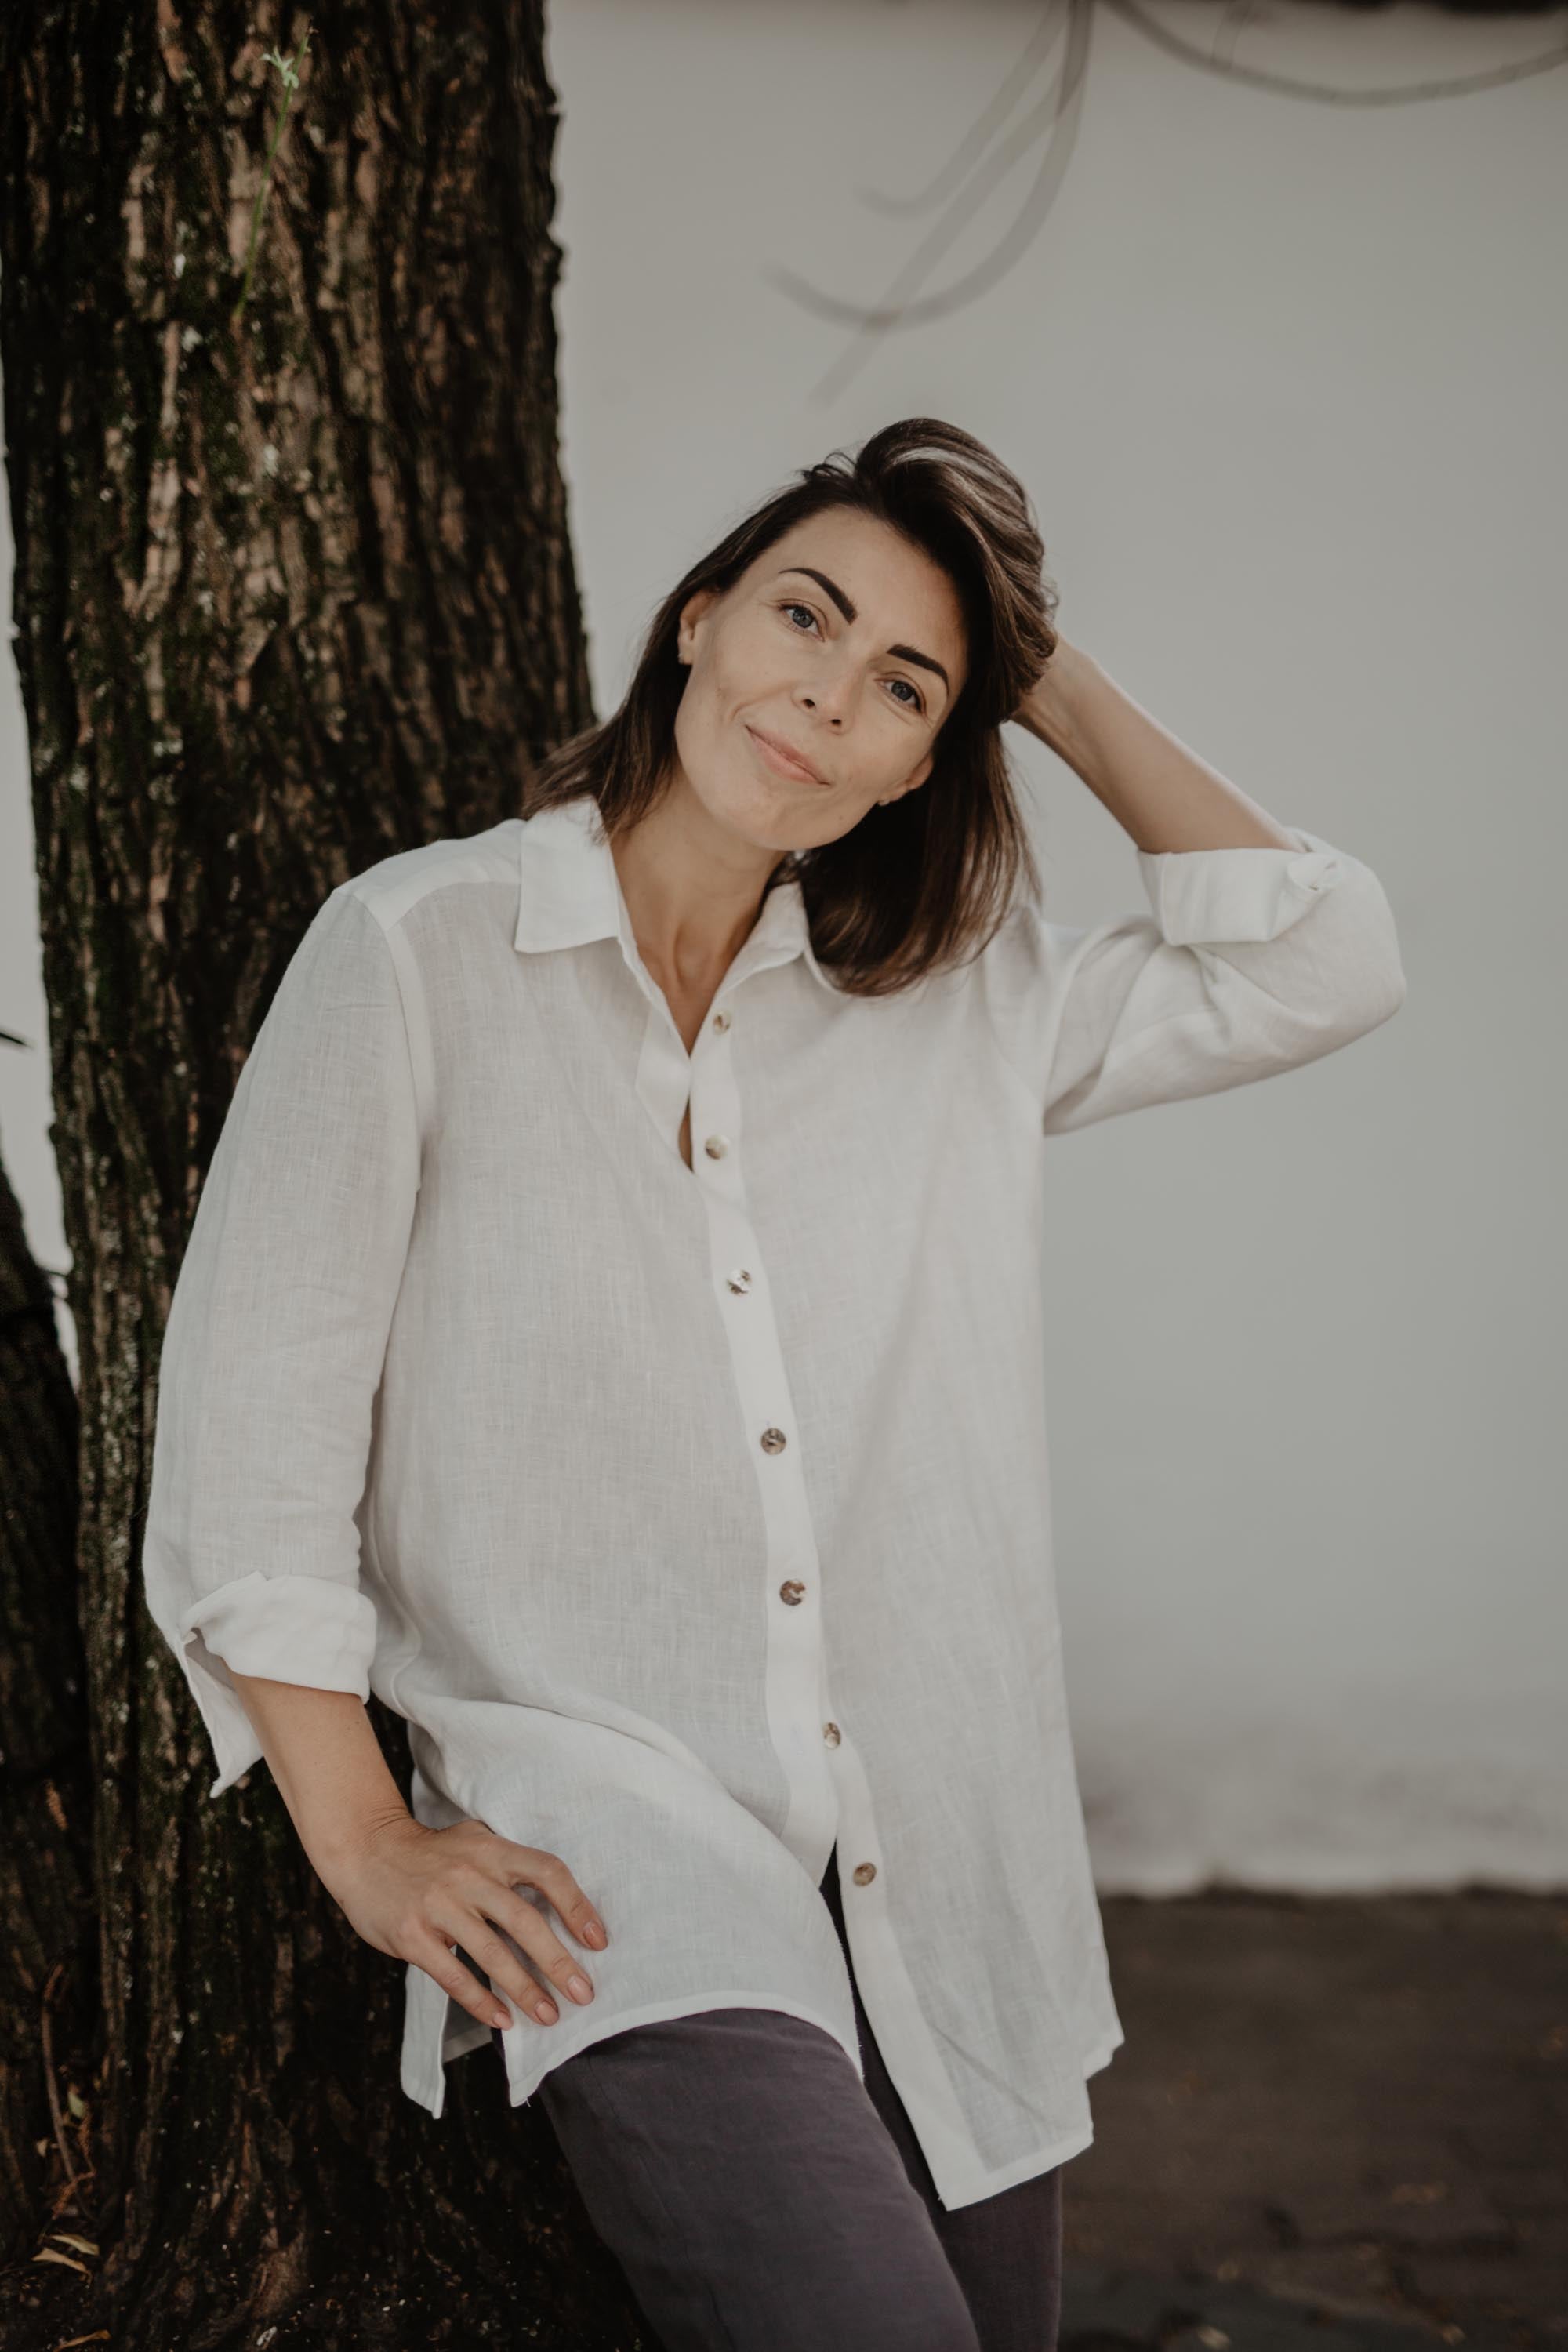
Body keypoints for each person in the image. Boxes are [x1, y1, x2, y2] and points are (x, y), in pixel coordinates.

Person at [140, 416, 1407, 2350]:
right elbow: (256, 1436)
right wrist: (366, 1836)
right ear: (697, 621)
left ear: (931, 756)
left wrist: (1027, 653)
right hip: (619, 1844)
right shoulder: (418, 951)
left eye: (906, 682)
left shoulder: (953, 993)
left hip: (942, 1849)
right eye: (804, 616)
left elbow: (1318, 958)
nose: (829, 691)